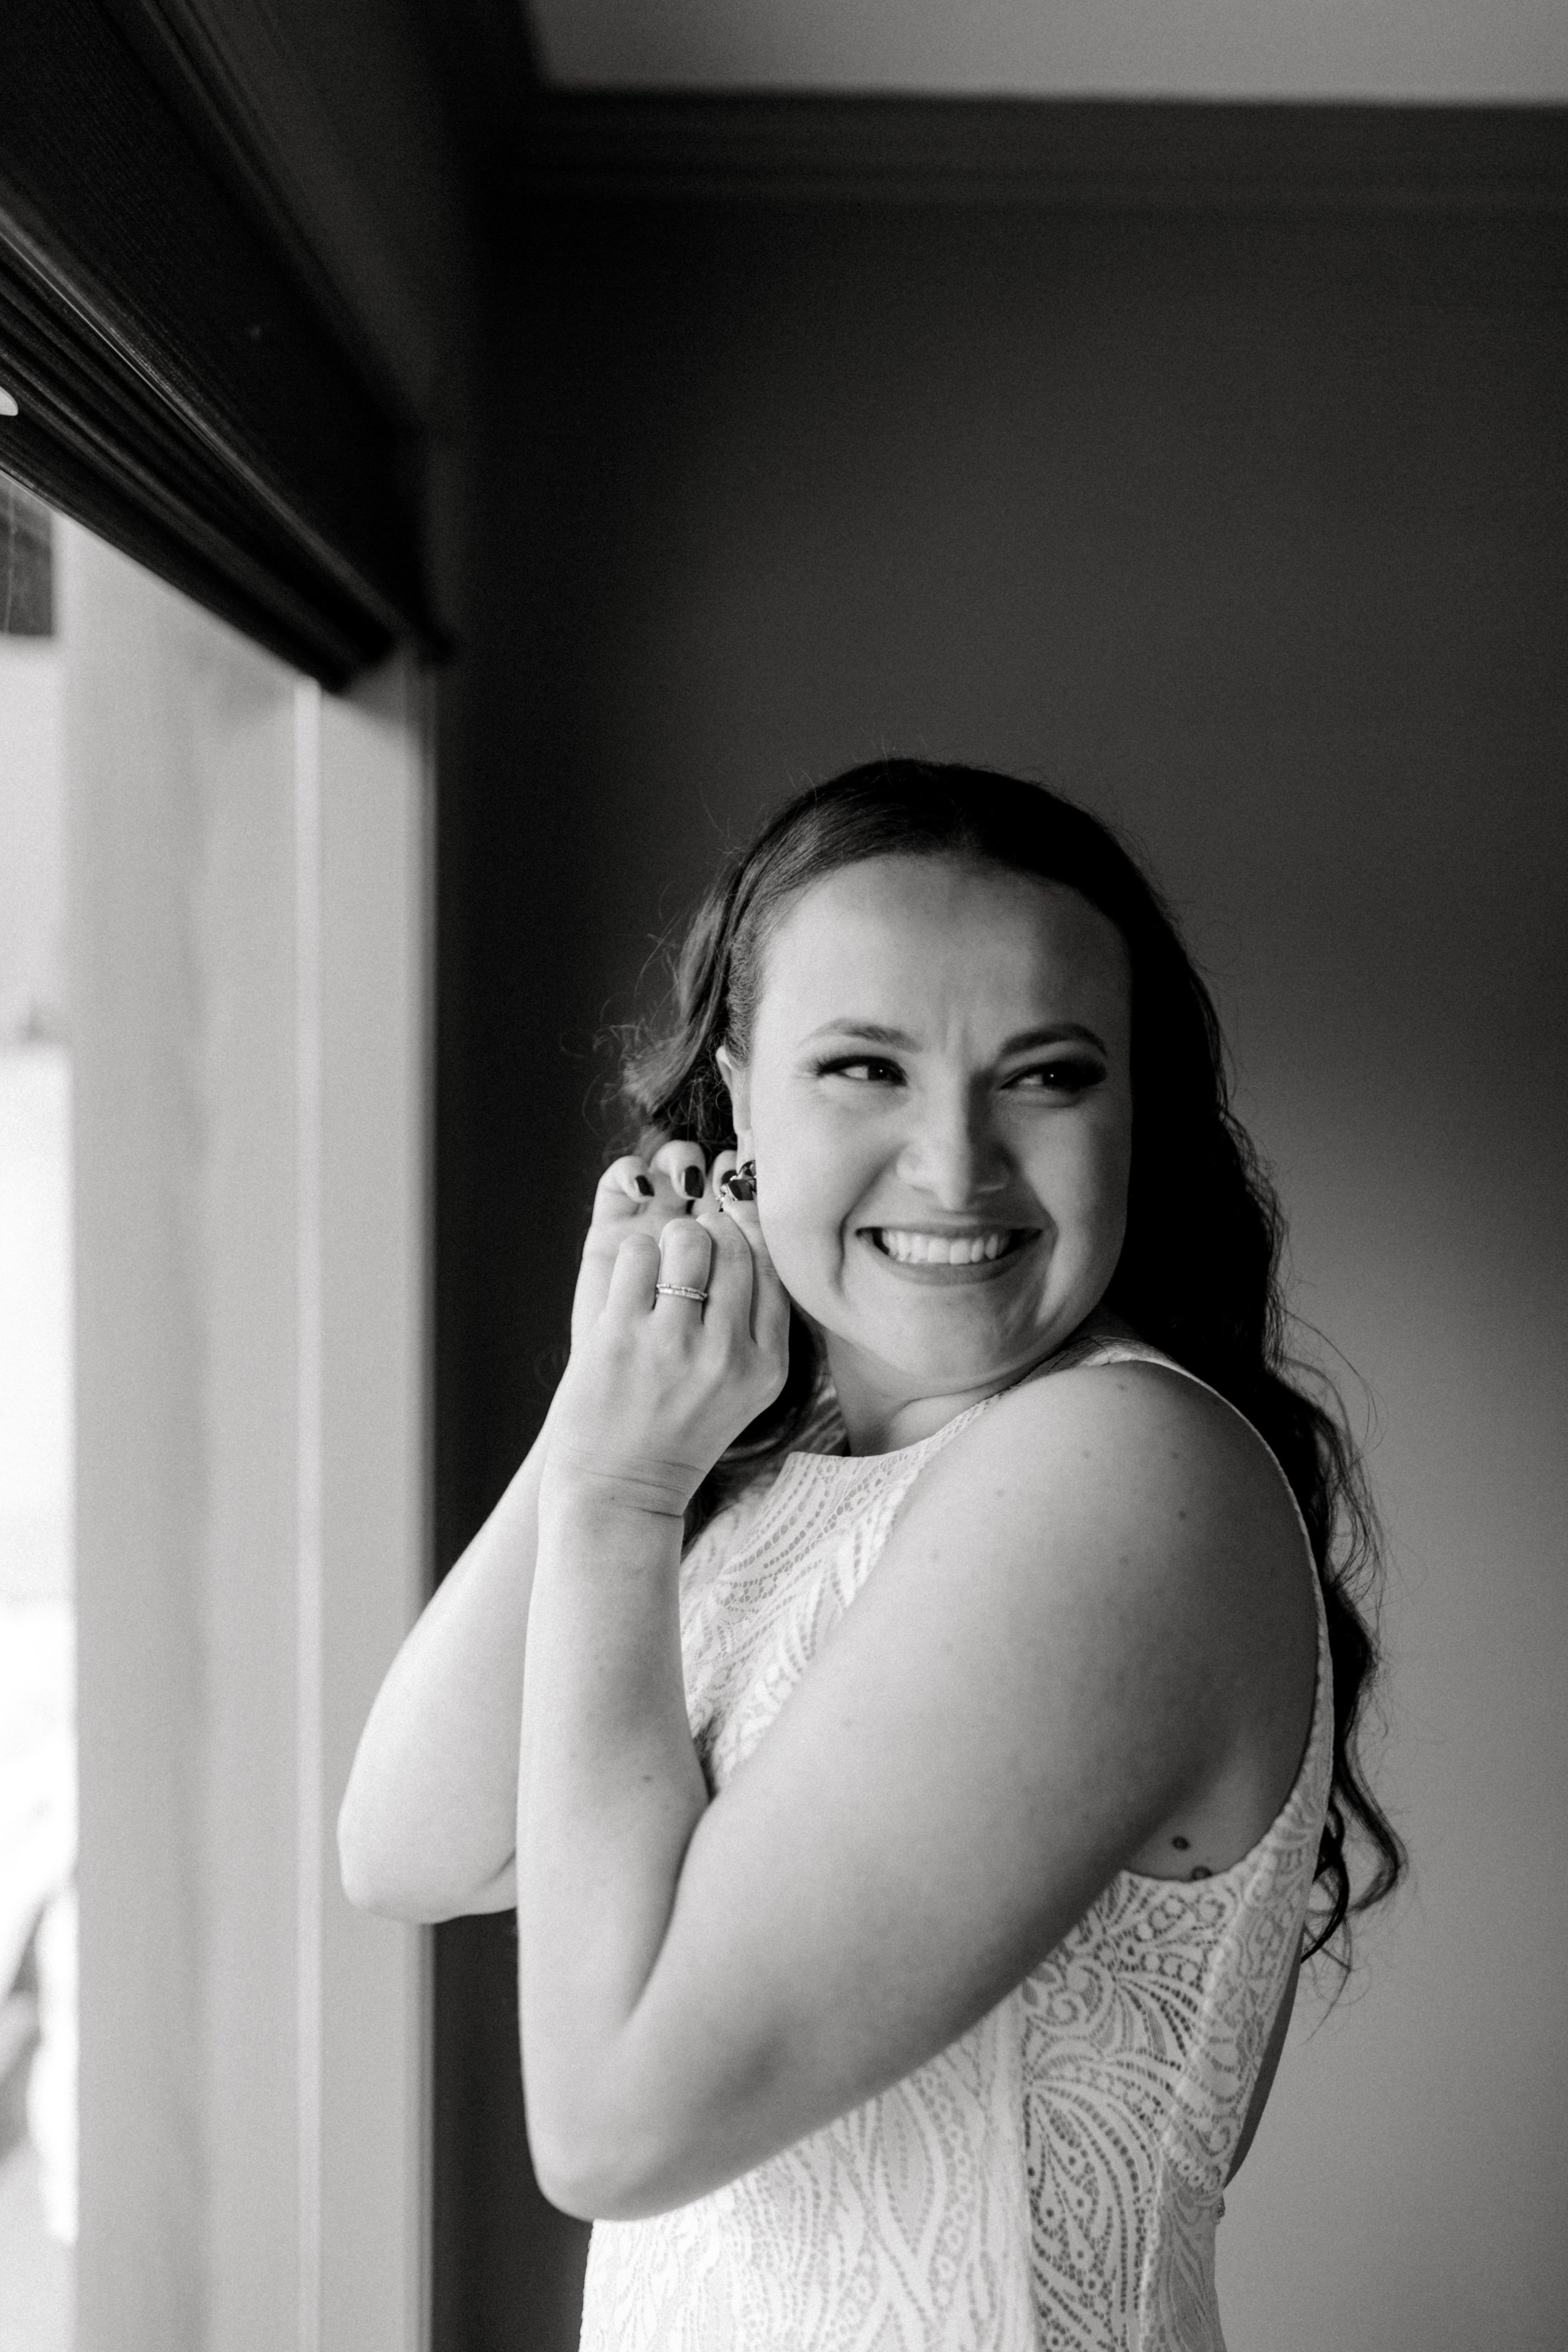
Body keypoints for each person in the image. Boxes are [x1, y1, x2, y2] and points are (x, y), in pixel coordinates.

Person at [340, 760, 1404, 2351]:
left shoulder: (1111, 1469)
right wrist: (608, 1416)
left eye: (1045, 1076)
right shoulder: (773, 1464)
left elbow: (614, 2123)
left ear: (1134, 1115)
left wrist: (622, 1499)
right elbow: (407, 1846)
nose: (954, 1165)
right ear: (733, 1103)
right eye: (862, 1068)